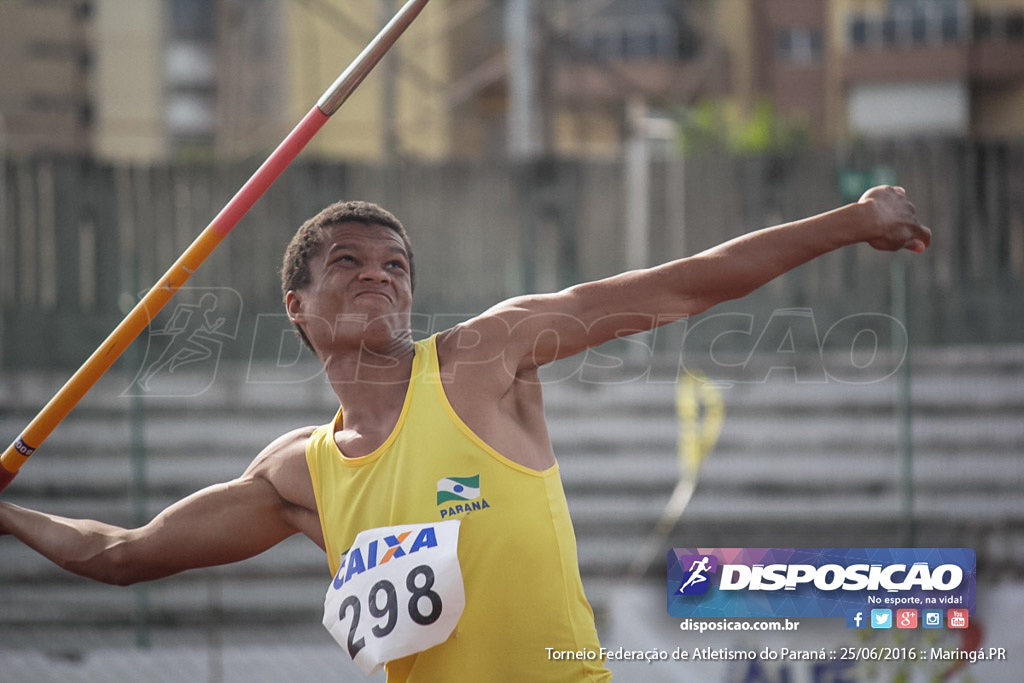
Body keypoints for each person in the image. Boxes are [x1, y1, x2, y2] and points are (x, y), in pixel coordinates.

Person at [0, 189, 930, 681]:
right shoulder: (297, 473)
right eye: (349, 263)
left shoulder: (483, 356)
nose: (381, 274)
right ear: (297, 305)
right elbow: (123, 553)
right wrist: (10, 518)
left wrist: (849, 223)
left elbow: (683, 285)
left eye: (396, 263)